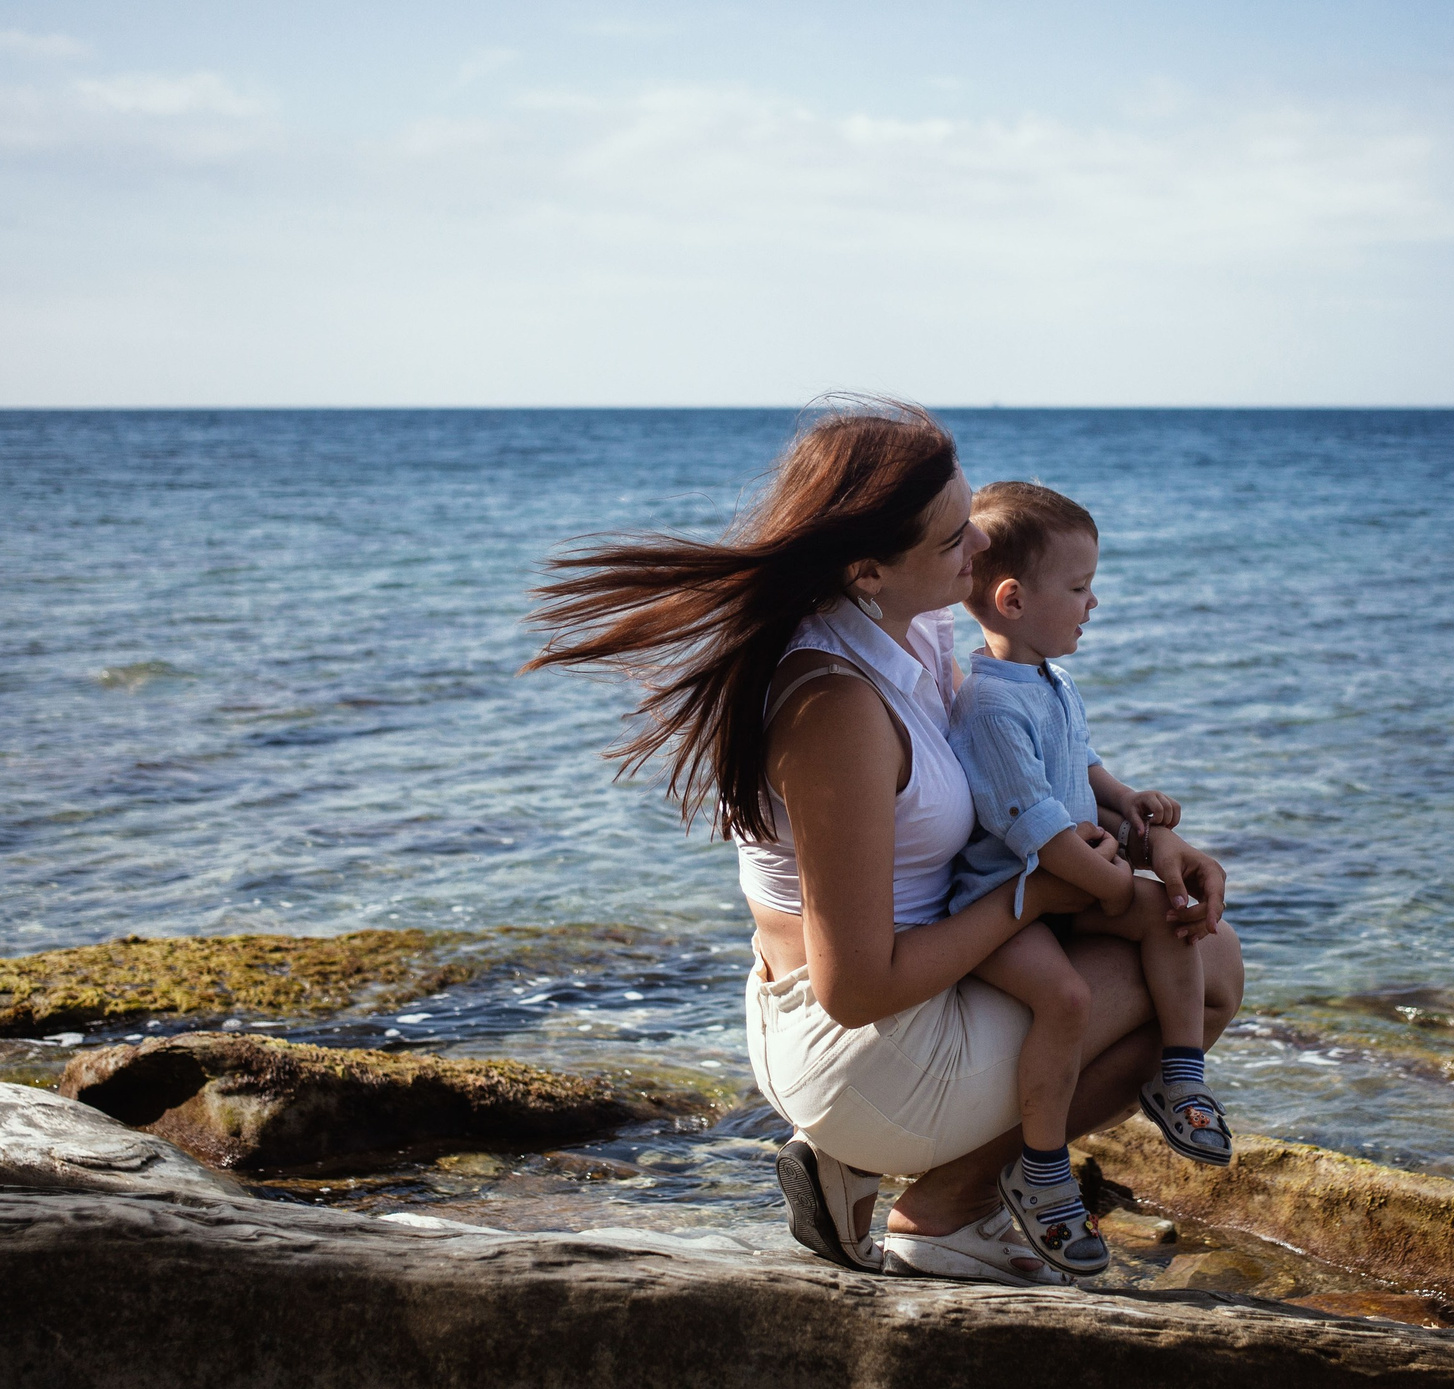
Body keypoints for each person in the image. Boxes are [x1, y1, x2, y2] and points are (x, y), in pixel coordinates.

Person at [523, 398, 1242, 1285]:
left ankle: (872, 1176)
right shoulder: (836, 706)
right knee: (1202, 968)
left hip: (926, 989)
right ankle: (941, 1209)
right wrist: (1036, 897)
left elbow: (1022, 763)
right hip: (865, 1044)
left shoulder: (914, 628)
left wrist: (1154, 839)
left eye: (971, 521)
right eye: (953, 541)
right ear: (867, 570)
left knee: (1190, 932)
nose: (978, 549)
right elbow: (856, 987)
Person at [944, 481, 1234, 1277]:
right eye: (1078, 589)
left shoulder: (1048, 679)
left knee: (1170, 913)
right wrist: (1113, 890)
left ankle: (1180, 1075)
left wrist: (1126, 800)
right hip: (1005, 905)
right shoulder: (989, 705)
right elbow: (1032, 823)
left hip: (1069, 885)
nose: (1094, 602)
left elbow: (1079, 764)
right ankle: (1040, 1171)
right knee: (1066, 999)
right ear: (1010, 599)